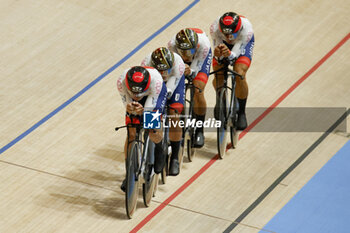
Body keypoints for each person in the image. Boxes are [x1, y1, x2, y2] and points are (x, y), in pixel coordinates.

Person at [117, 66, 167, 192]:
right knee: (131, 132)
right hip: (135, 94)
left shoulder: (156, 82)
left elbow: (150, 109)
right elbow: (128, 104)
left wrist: (144, 111)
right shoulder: (121, 82)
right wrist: (131, 108)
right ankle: (129, 172)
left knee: (152, 126)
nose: (137, 96)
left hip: (153, 95)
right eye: (134, 93)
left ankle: (160, 148)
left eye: (139, 93)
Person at [141, 47, 185, 176]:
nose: (163, 72)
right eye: (160, 70)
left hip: (173, 82)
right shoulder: (146, 64)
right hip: (154, 83)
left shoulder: (178, 64)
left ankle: (175, 157)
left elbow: (168, 90)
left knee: (173, 114)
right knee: (149, 113)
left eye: (166, 69)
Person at [168, 28, 212, 148]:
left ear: (195, 46)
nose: (186, 55)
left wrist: (191, 71)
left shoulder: (203, 45)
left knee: (198, 89)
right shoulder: (171, 45)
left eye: (189, 52)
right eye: (183, 52)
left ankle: (199, 129)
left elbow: (196, 68)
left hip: (199, 60)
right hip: (179, 61)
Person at [210, 12, 254, 130]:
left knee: (239, 74)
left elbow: (234, 55)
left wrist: (229, 54)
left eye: (231, 34)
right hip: (223, 44)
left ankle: (241, 112)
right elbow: (217, 51)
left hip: (241, 45)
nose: (229, 37)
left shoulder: (246, 29)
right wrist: (219, 55)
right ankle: (221, 99)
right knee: (218, 73)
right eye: (225, 33)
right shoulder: (214, 28)